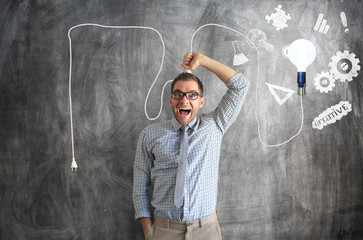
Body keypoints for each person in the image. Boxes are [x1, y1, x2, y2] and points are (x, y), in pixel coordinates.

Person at [133, 52, 249, 240]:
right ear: (171, 100)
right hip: (164, 230)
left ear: (201, 102)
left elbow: (240, 85)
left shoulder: (215, 125)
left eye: (192, 95)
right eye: (178, 94)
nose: (184, 100)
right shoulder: (150, 134)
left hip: (207, 230)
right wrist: (149, 232)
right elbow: (139, 187)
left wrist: (203, 61)